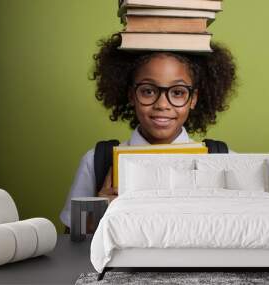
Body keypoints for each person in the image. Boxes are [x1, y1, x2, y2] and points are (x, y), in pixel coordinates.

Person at [60, 33, 237, 229]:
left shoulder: (225, 160)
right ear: (131, 95)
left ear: (193, 99)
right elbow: (70, 238)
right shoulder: (96, 161)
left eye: (177, 92)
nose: (162, 104)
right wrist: (98, 213)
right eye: (148, 91)